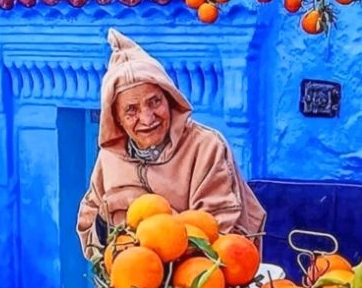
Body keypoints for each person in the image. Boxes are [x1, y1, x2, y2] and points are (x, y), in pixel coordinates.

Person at [77, 28, 266, 258]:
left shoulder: (205, 147)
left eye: (154, 102)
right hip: (128, 286)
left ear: (170, 99)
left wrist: (152, 214)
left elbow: (220, 235)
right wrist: (105, 219)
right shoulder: (110, 157)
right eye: (131, 110)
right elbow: (90, 237)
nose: (147, 118)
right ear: (116, 118)